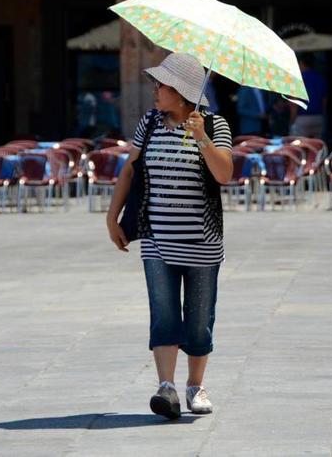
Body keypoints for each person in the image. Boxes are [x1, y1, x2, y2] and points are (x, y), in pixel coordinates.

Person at [106, 52, 233, 420]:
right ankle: (166, 388)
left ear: (181, 92)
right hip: (157, 237)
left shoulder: (215, 124)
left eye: (161, 84)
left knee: (197, 320)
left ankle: (195, 386)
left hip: (202, 242)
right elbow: (129, 171)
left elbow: (224, 174)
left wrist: (202, 139)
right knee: (163, 315)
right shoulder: (149, 123)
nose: (155, 90)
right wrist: (112, 217)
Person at [289, 54, 327, 138]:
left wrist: (292, 122)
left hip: (302, 118)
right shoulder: (320, 78)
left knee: (299, 147)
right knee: (316, 147)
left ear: (301, 63)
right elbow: (324, 101)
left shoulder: (297, 80)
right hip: (318, 118)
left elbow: (294, 105)